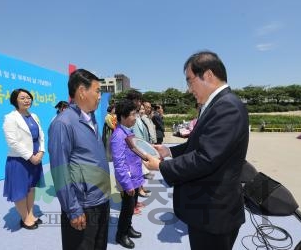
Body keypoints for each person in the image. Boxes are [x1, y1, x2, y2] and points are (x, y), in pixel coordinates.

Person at [143, 51, 249, 250]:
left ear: (208, 75)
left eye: (190, 81)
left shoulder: (227, 107)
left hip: (213, 212)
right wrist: (169, 151)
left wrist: (162, 166)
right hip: (207, 208)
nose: (189, 88)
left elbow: (205, 158)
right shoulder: (216, 105)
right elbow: (200, 144)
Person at [48, 69, 111, 250]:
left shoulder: (91, 118)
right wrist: (72, 209)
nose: (100, 96)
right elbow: (60, 171)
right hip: (82, 205)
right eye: (97, 91)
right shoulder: (63, 123)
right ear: (82, 91)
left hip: (101, 199)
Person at [2, 88, 45, 230]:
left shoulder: (34, 115)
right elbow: (12, 142)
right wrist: (30, 156)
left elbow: (41, 135)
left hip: (35, 158)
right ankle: (25, 218)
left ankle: (31, 214)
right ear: (15, 101)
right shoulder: (10, 117)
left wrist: (41, 151)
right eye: (22, 98)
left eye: (28, 97)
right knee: (20, 190)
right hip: (19, 160)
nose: (27, 100)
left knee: (31, 188)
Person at [110, 99, 144, 249]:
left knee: (131, 207)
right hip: (128, 180)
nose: (135, 117)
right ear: (123, 116)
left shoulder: (129, 132)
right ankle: (121, 234)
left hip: (135, 177)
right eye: (132, 114)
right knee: (126, 208)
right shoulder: (118, 136)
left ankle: (128, 228)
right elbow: (119, 164)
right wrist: (127, 183)